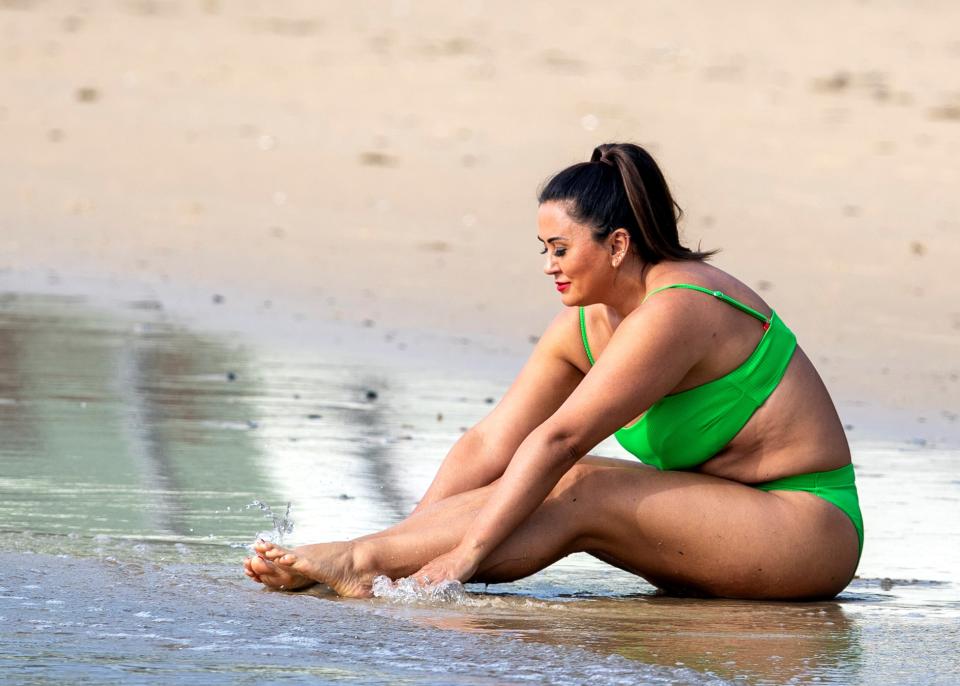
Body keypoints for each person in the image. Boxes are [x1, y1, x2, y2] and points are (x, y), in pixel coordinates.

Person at [244, 143, 863, 600]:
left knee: (577, 484)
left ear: (617, 245)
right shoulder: (586, 325)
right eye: (543, 250)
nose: (549, 266)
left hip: (807, 529)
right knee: (530, 485)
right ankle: (372, 564)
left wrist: (463, 557)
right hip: (720, 519)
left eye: (561, 249)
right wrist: (411, 536)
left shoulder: (678, 309)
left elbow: (561, 441)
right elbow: (490, 442)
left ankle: (365, 563)